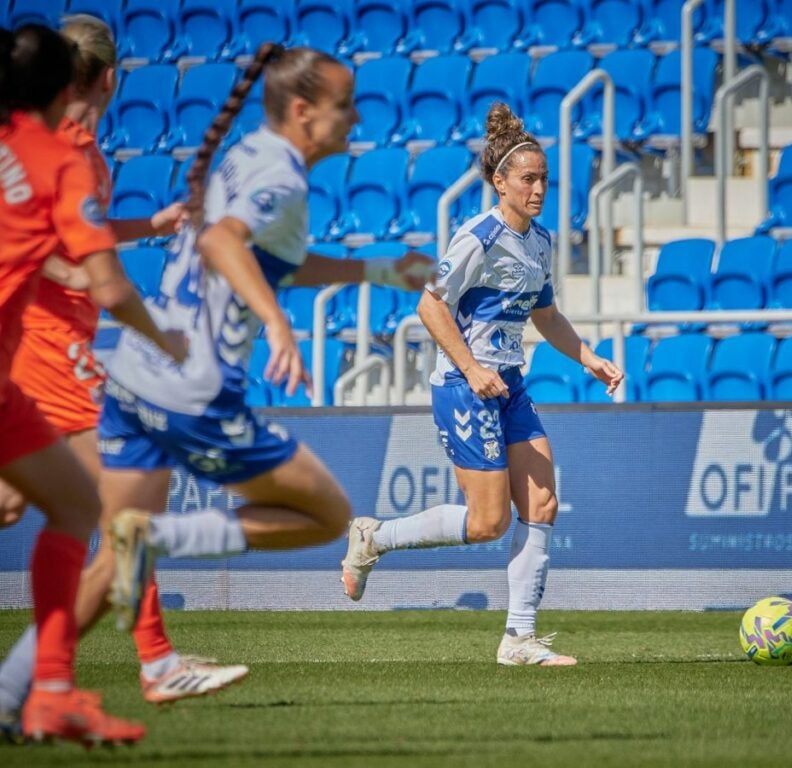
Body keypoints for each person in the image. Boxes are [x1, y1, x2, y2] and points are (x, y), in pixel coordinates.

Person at [102, 43, 433, 633]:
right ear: (303, 111)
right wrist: (278, 323)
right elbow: (220, 242)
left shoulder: (246, 154)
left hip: (135, 374)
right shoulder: (283, 177)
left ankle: (37, 677)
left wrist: (381, 270)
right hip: (194, 388)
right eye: (345, 103)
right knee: (327, 514)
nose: (357, 116)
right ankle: (160, 538)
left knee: (108, 559)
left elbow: (277, 263)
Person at [0, 17, 246, 736]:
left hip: (36, 344)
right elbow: (88, 270)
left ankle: (112, 669)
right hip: (49, 347)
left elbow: (54, 234)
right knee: (127, 507)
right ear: (111, 77)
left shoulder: (31, 143)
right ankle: (128, 665)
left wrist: (146, 227)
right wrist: (159, 334)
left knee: (44, 504)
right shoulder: (70, 151)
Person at [340, 102, 624, 667]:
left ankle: (518, 639)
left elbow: (546, 315)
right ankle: (374, 537)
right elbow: (430, 305)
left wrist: (588, 357)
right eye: (528, 179)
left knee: (542, 500)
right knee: (488, 521)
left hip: (509, 384)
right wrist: (472, 368)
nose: (538, 189)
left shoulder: (540, 241)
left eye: (544, 179)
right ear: (500, 182)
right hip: (464, 386)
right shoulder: (478, 237)